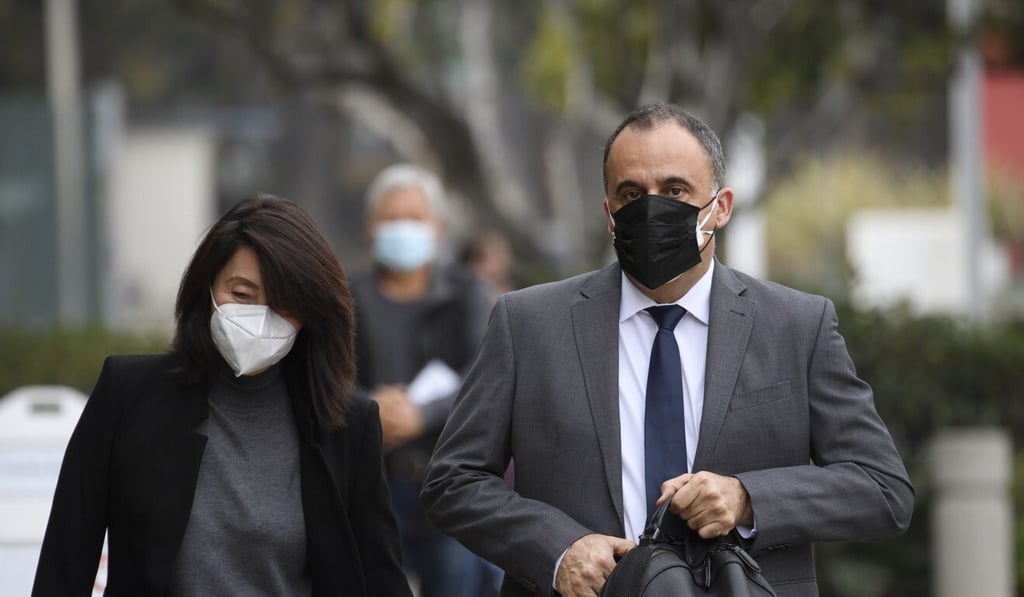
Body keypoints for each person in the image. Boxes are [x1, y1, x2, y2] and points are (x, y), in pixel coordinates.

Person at [420, 103, 914, 597]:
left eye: (674, 191)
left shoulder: (796, 325)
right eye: (631, 194)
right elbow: (453, 481)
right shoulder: (527, 324)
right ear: (609, 213)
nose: (650, 208)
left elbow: (882, 488)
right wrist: (559, 550)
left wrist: (747, 498)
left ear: (720, 206)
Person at [32, 195, 412, 597]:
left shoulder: (346, 423)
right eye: (242, 294)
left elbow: (380, 577)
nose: (259, 317)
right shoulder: (128, 393)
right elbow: (66, 558)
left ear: (311, 313)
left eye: (283, 304)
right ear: (207, 287)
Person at [349, 164, 501, 597]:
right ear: (369, 226)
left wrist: (422, 414)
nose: (402, 228)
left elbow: (485, 373)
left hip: (450, 482)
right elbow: (326, 377)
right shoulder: (346, 297)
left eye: (414, 218)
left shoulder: (467, 292)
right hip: (370, 485)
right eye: (390, 218)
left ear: (437, 227)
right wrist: (369, 409)